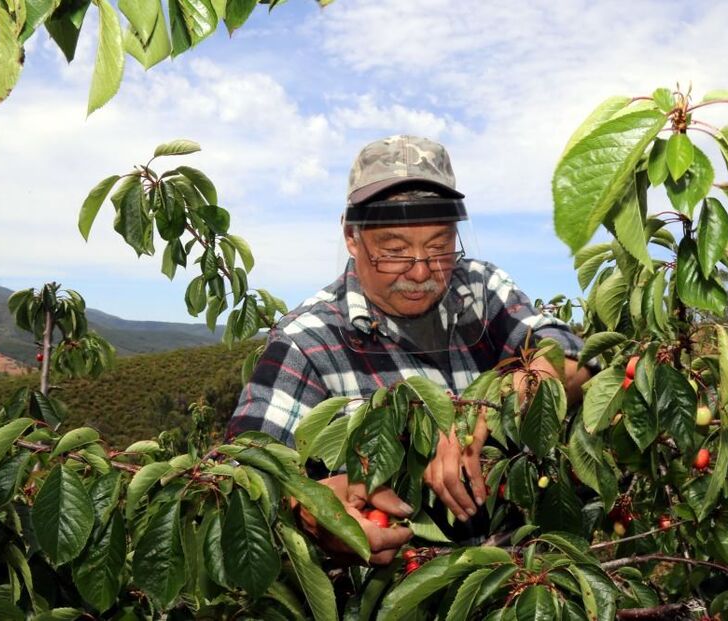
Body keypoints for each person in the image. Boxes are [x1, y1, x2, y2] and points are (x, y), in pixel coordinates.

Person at [227, 135, 592, 564]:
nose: (421, 270)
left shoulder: (478, 289)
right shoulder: (306, 343)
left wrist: (489, 409)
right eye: (394, 251)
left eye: (439, 247)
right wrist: (310, 508)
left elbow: (571, 359)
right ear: (351, 237)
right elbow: (246, 475)